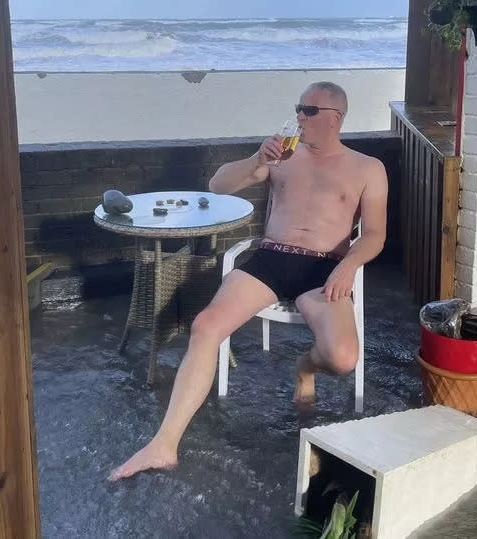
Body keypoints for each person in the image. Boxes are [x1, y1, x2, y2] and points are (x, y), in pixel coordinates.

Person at [109, 81, 388, 481]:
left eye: (307, 110)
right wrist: (257, 160)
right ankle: (163, 445)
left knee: (343, 359)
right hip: (272, 258)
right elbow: (218, 185)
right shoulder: (282, 155)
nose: (299, 117)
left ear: (335, 118)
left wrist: (350, 265)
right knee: (205, 327)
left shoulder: (367, 168)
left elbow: (375, 234)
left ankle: (304, 367)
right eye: (298, 108)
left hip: (326, 267)